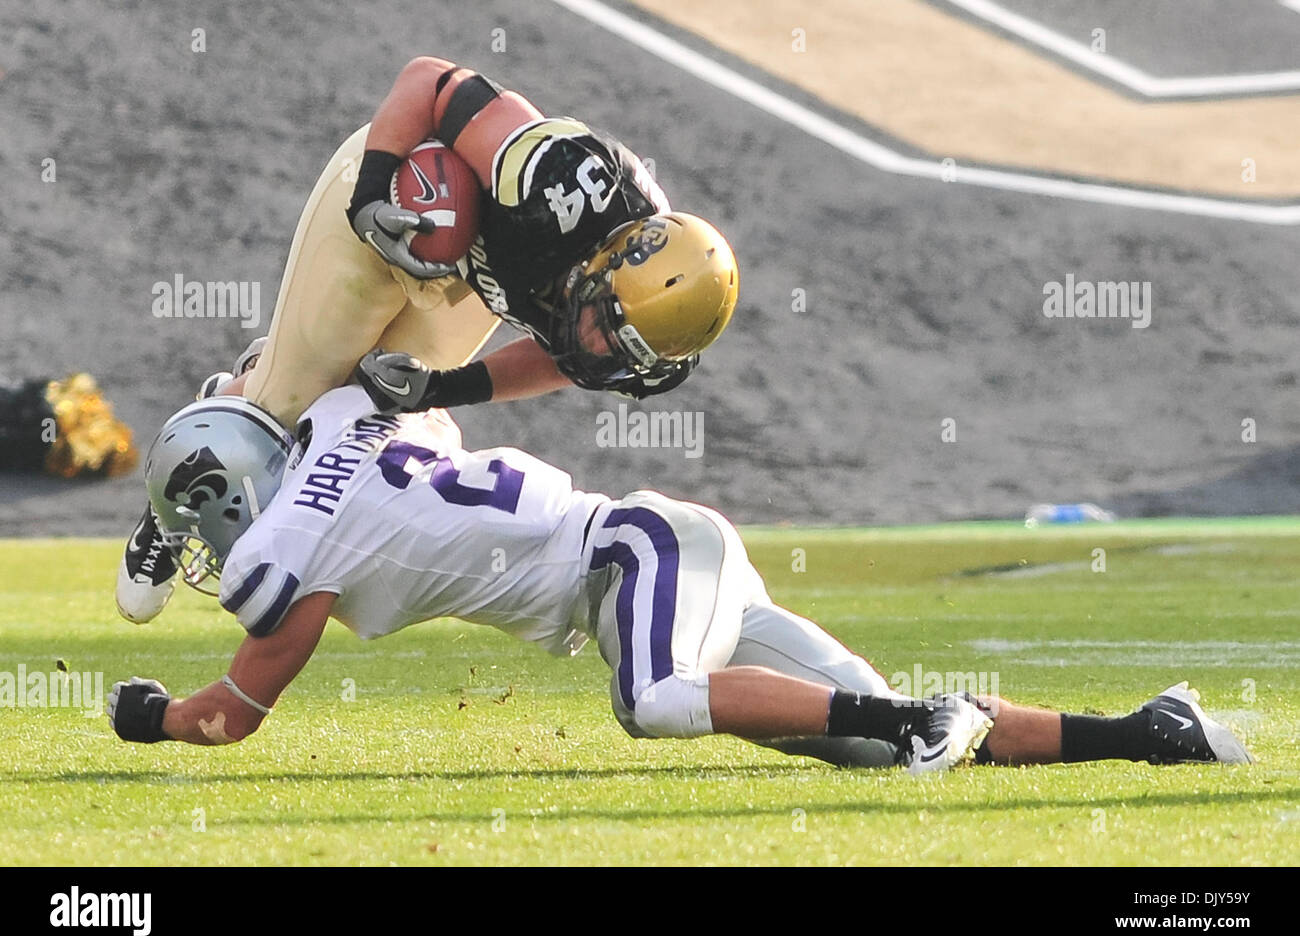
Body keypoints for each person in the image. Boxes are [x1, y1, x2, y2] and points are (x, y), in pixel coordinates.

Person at [106, 389, 1252, 773]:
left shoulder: (289, 561)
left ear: (230, 497)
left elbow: (225, 721)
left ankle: (913, 716)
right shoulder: (356, 413)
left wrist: (143, 715)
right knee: (862, 733)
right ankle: (1151, 733)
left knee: (652, 699)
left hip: (634, 555)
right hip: (658, 552)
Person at [116, 55, 739, 625]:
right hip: (398, 207)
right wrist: (368, 198)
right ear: (608, 259)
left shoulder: (630, 323)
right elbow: (431, 82)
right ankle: (178, 491)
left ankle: (262, 377)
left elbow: (566, 358)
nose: (600, 348)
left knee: (368, 410)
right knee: (288, 402)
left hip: (467, 280)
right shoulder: (560, 180)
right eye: (605, 325)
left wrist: (442, 389)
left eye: (623, 353)